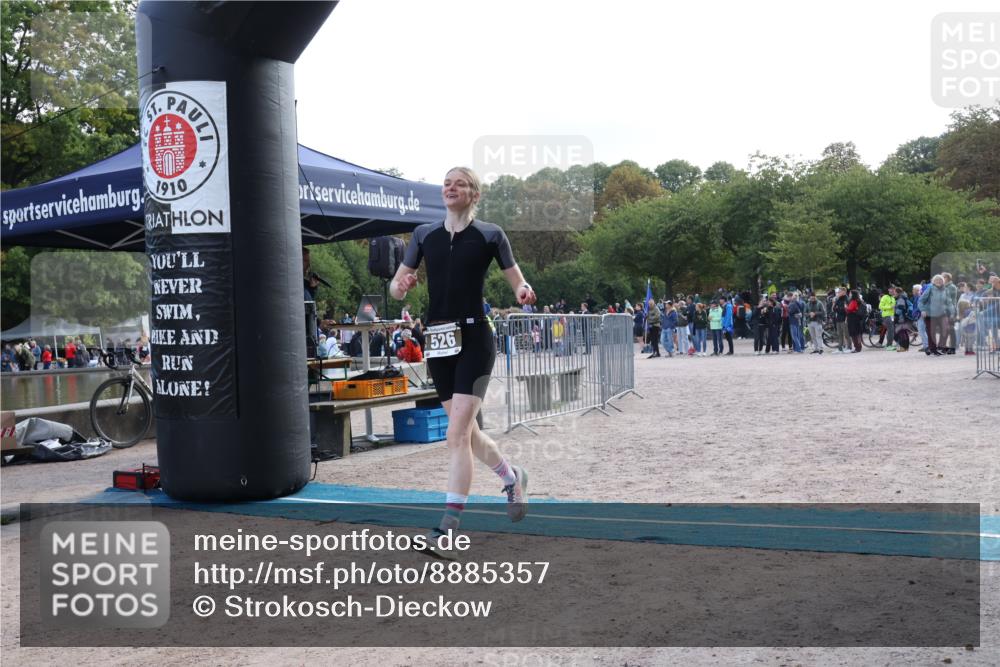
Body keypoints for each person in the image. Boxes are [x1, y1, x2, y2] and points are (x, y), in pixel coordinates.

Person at [388, 166, 535, 558]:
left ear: (475, 194)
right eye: (447, 183)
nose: (451, 187)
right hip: (438, 342)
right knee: (466, 434)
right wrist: (400, 285)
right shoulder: (423, 235)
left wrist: (522, 289)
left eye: (461, 183)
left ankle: (448, 531)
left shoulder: (490, 234)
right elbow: (396, 287)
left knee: (455, 436)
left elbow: (515, 279)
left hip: (474, 339)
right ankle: (511, 476)